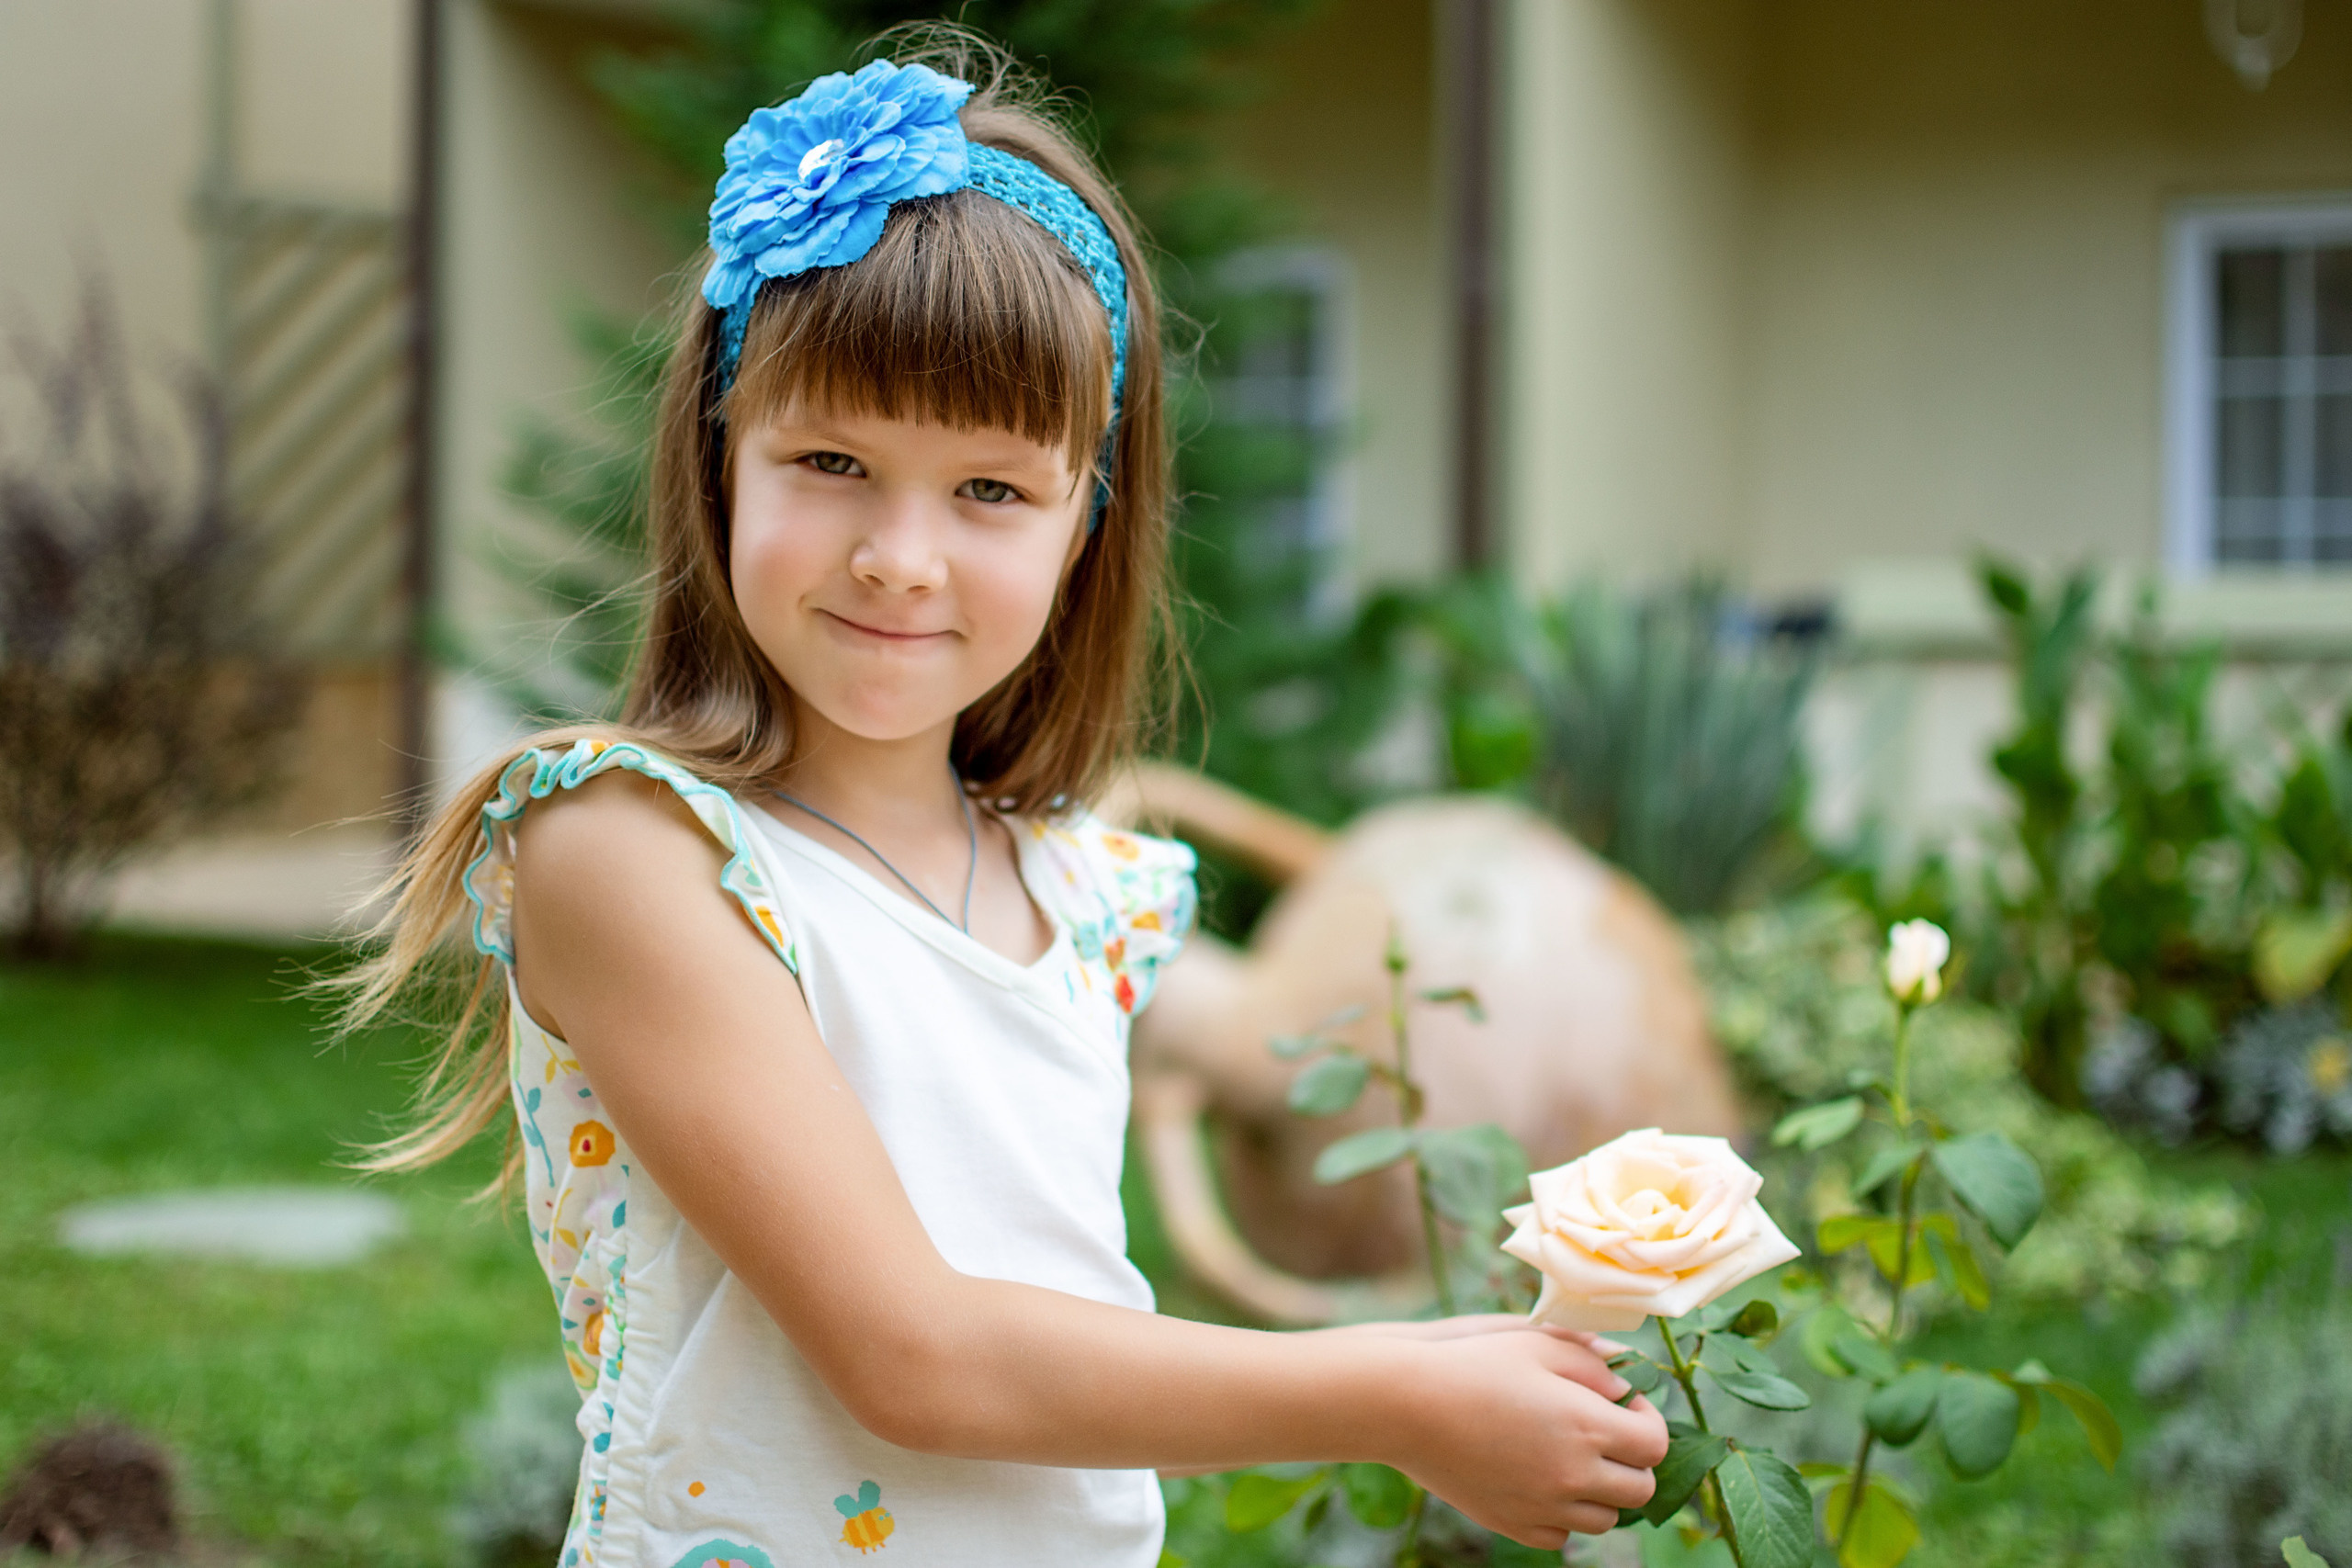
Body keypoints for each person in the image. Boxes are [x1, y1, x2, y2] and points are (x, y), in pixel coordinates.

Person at [344, 36, 1668, 1568]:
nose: (902, 555)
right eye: (832, 460)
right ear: (720, 466)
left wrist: (1489, 1359)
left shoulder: (1086, 894)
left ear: (1081, 525)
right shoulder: (633, 852)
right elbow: (915, 1353)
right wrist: (1397, 1398)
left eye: (989, 491)